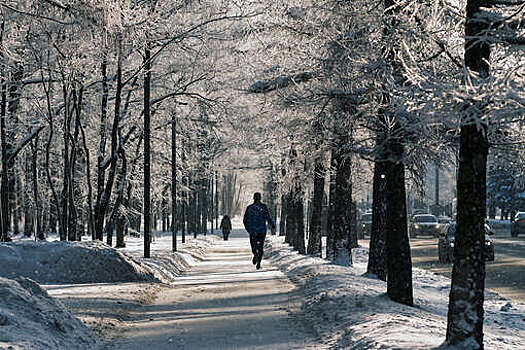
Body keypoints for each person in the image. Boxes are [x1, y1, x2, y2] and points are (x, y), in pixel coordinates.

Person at [243, 192, 276, 269]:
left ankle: (255, 254)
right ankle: (259, 263)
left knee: (253, 245)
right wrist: (272, 225)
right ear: (260, 198)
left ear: (253, 198)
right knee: (260, 247)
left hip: (253, 231)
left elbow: (245, 220)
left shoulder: (249, 208)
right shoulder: (264, 207)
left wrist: (248, 229)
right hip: (262, 230)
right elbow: (268, 217)